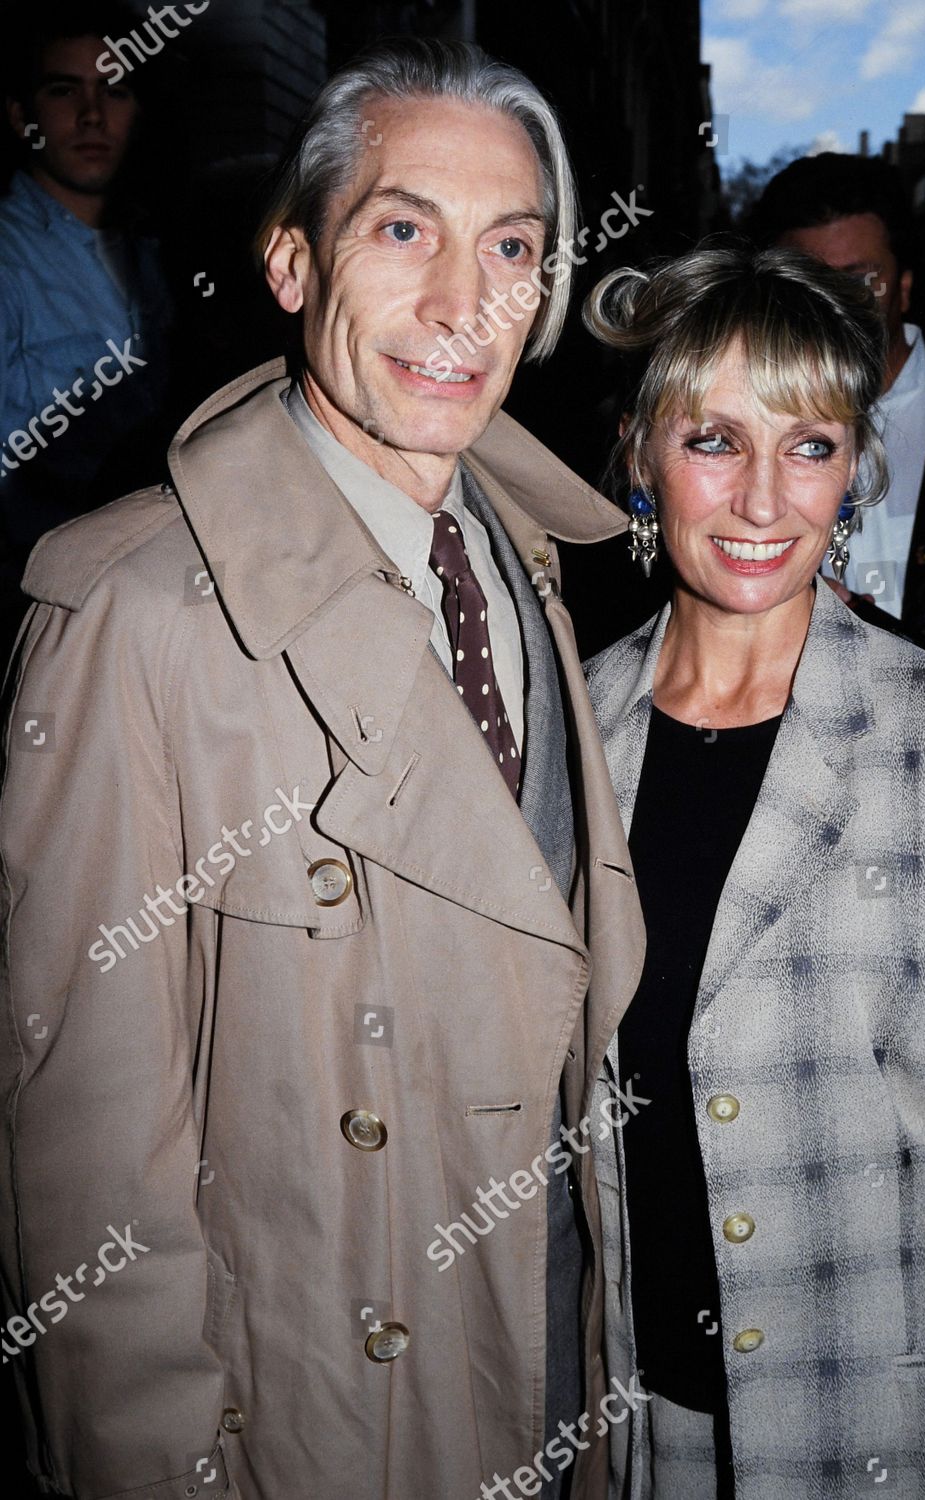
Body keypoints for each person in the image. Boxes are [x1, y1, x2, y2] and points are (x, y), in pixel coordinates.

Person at [0, 39, 645, 1500]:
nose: (457, 304)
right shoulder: (132, 615)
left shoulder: (535, 561)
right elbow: (87, 1162)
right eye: (401, 230)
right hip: (330, 1428)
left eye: (511, 248)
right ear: (292, 265)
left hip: (552, 1367)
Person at [582, 241, 925, 1499]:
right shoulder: (564, 740)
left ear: (853, 469)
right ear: (638, 454)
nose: (764, 501)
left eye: (810, 445)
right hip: (638, 1428)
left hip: (898, 1434)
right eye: (713, 440)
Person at [749, 152, 925, 695]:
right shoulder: (727, 432)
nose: (835, 307)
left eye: (861, 280)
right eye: (807, 284)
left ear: (906, 285)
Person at [0, 0, 174, 659]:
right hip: (36, 613)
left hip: (150, 607)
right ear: (22, 116)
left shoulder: (158, 257)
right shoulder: (10, 263)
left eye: (116, 90)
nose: (93, 115)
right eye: (63, 90)